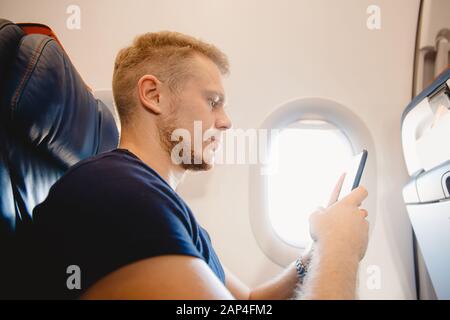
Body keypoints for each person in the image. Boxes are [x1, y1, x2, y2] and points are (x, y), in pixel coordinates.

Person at [32, 31, 369, 299]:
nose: (226, 122)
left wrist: (316, 250)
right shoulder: (117, 191)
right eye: (212, 102)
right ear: (153, 95)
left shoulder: (157, 202)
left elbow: (249, 300)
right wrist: (341, 246)